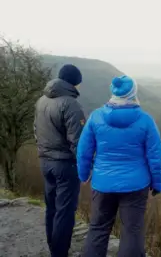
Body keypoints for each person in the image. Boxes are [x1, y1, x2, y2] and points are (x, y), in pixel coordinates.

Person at [77, 75, 161, 257]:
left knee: (98, 229)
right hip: (135, 185)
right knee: (132, 231)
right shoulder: (145, 120)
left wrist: (84, 175)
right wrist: (157, 183)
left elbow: (84, 150)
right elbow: (155, 156)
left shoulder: (96, 117)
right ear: (133, 93)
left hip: (102, 184)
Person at [34, 64, 85, 257]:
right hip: (65, 164)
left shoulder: (41, 100)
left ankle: (53, 247)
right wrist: (84, 166)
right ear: (74, 83)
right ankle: (60, 252)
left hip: (45, 162)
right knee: (65, 210)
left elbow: (36, 131)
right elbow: (78, 141)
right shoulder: (71, 104)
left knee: (52, 207)